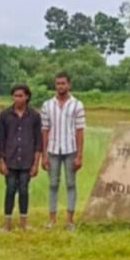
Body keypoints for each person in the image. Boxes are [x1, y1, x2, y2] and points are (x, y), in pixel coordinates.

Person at [40, 72, 85, 231]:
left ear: (69, 85)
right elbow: (44, 130)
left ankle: (69, 221)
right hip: (52, 149)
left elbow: (80, 131)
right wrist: (43, 155)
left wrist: (79, 155)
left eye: (63, 83)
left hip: (70, 149)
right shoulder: (47, 105)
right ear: (55, 85)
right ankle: (52, 220)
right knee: (53, 184)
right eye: (58, 83)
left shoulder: (77, 104)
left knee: (71, 184)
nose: (60, 86)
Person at [0, 83, 42, 231]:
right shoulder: (5, 115)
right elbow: (1, 140)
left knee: (23, 190)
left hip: (27, 160)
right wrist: (1, 162)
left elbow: (38, 141)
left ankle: (23, 223)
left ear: (27, 97)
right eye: (15, 95)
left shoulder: (34, 116)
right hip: (9, 159)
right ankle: (7, 223)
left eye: (20, 95)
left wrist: (36, 164)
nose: (17, 98)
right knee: (9, 190)